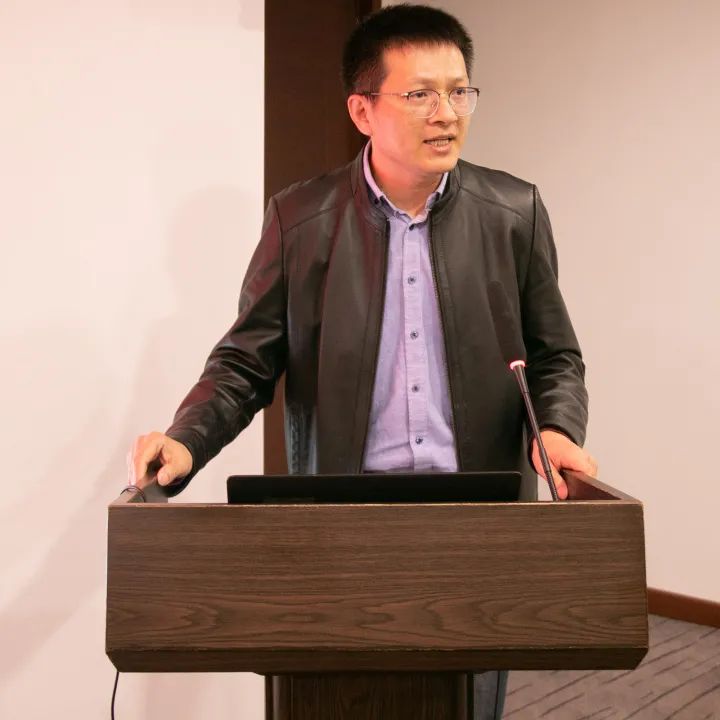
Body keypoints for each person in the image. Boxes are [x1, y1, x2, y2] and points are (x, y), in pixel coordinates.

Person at [129, 5, 598, 718]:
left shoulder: (514, 211)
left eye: (459, 92)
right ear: (362, 110)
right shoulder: (301, 219)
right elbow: (246, 362)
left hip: (478, 517)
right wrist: (186, 438)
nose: (446, 114)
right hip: (344, 518)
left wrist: (557, 430)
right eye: (420, 94)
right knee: (342, 698)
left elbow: (554, 355)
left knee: (469, 702)